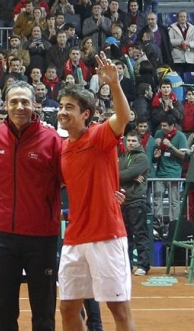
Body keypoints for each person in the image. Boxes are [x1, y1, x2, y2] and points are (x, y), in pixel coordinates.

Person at [57, 51, 136, 331]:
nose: (63, 111)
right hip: (74, 238)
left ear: (85, 114)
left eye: (70, 107)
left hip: (106, 235)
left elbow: (124, 116)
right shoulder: (63, 149)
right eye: (62, 106)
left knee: (119, 311)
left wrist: (114, 85)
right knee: (67, 309)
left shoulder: (100, 135)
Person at [0, 80, 62, 331]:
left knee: (43, 309)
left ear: (35, 104)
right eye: (14, 101)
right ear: (5, 105)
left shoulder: (52, 139)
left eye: (25, 101)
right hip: (4, 236)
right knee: (3, 308)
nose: (19, 106)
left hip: (42, 236)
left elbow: (74, 176)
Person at [119, 131, 151, 276]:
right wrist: (129, 176)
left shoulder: (142, 158)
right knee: (125, 236)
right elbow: (116, 174)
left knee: (140, 234)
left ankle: (143, 265)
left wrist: (127, 175)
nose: (130, 143)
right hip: (123, 202)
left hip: (137, 201)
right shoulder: (123, 157)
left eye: (133, 141)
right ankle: (128, 265)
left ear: (139, 142)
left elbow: (125, 174)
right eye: (129, 140)